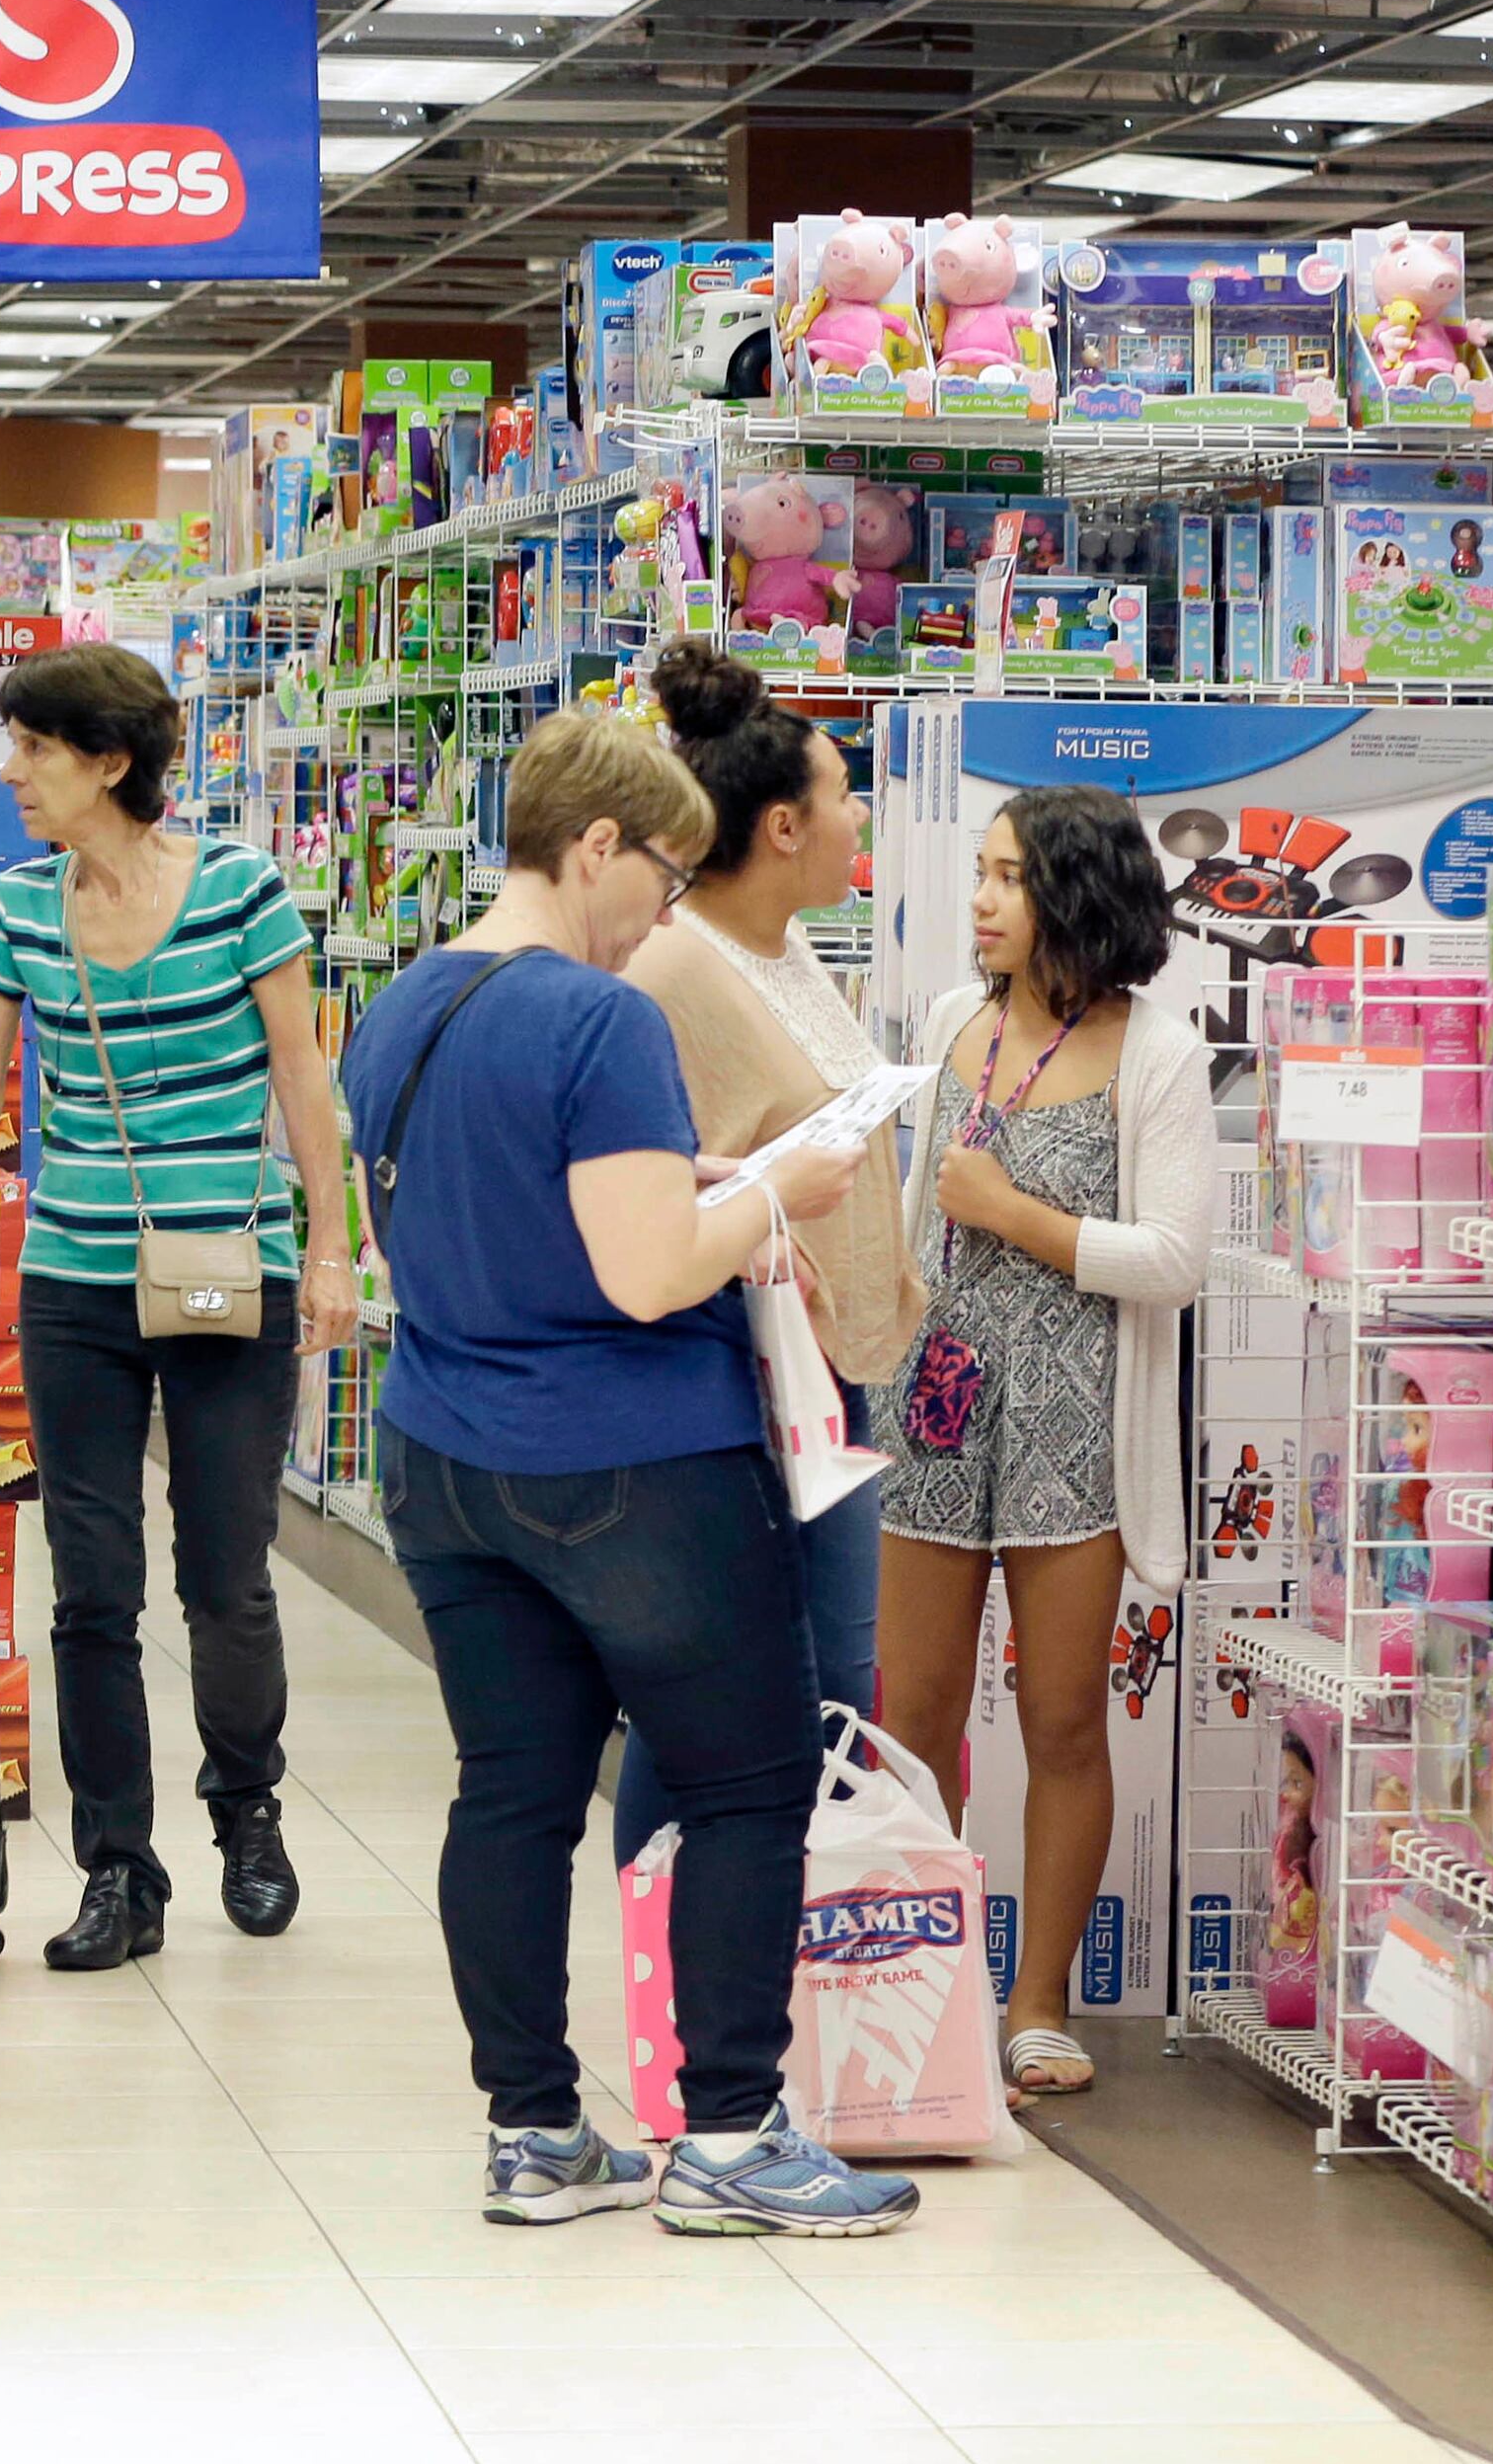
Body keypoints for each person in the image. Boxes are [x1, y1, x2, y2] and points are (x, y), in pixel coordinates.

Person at [339, 706, 920, 2238]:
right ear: (594, 844)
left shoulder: (398, 1008)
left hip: (443, 1456)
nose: (665, 908)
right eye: (659, 872)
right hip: (633, 1463)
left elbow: (511, 1207)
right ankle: (730, 2130)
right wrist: (782, 1182)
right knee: (745, 1781)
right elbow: (651, 1270)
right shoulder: (598, 1022)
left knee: (512, 1790)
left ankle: (533, 2128)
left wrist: (699, 1182)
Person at [0, 643, 357, 1972]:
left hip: (233, 1276)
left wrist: (330, 1251)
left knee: (225, 1572)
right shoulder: (17, 907)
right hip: (77, 1288)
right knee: (92, 1587)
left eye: (33, 750)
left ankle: (248, 1809)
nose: (10, 774)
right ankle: (120, 1865)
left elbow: (302, 1080)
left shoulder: (242, 893)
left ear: (109, 761)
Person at [872, 785, 1213, 2105]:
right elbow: (914, 1230)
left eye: (1007, 875)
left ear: (1075, 891)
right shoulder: (952, 1022)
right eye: (980, 872)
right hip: (940, 1404)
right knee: (913, 1716)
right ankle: (915, 1983)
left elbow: (1176, 1260)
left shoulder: (1160, 1054)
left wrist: (1020, 1213)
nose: (980, 898)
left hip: (1079, 1414)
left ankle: (1036, 2000)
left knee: (1066, 1715)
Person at [617, 642, 920, 1861]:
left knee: (832, 1673)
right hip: (737, 1383)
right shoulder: (672, 968)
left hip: (824, 1372)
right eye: (847, 795)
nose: (862, 820)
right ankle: (679, 1958)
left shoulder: (788, 951)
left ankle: (793, 1966)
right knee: (723, 1684)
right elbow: (644, 1184)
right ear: (785, 825)